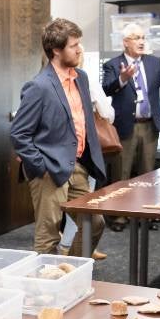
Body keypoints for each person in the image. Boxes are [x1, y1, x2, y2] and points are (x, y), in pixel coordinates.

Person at [10, 18, 106, 257]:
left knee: (94, 224)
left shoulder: (81, 77)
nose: (79, 49)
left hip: (77, 166)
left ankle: (70, 272)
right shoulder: (39, 86)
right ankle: (46, 289)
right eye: (74, 45)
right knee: (48, 234)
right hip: (48, 170)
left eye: (78, 44)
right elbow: (19, 133)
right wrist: (39, 166)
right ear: (56, 50)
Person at [102, 23, 160, 231]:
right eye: (136, 37)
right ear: (125, 42)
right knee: (123, 174)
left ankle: (145, 217)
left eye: (143, 37)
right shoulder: (113, 64)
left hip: (149, 127)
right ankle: (119, 217)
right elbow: (106, 89)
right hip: (126, 127)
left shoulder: (154, 62)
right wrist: (123, 78)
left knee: (148, 175)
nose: (141, 41)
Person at [58, 82, 114, 260]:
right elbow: (108, 114)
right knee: (48, 231)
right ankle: (66, 249)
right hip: (55, 164)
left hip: (80, 161)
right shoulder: (86, 83)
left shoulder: (81, 80)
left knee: (92, 219)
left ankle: (72, 257)